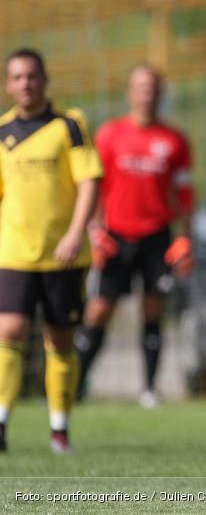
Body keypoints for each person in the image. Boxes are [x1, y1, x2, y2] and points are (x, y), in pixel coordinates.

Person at [0, 48, 103, 453]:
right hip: (14, 253)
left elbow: (90, 180)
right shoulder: (1, 130)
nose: (26, 83)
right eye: (18, 77)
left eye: (32, 76)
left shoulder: (69, 126)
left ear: (45, 80)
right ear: (9, 84)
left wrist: (76, 232)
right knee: (9, 330)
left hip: (64, 254)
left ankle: (59, 430)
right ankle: (2, 423)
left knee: (60, 339)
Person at [74, 65, 194, 408]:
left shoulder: (174, 140)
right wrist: (95, 231)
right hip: (116, 236)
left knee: (153, 309)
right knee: (98, 310)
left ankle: (149, 390)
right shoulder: (110, 135)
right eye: (141, 87)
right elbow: (94, 187)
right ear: (130, 92)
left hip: (158, 236)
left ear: (161, 92)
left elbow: (184, 192)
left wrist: (185, 236)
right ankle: (77, 385)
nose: (147, 93)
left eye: (153, 87)